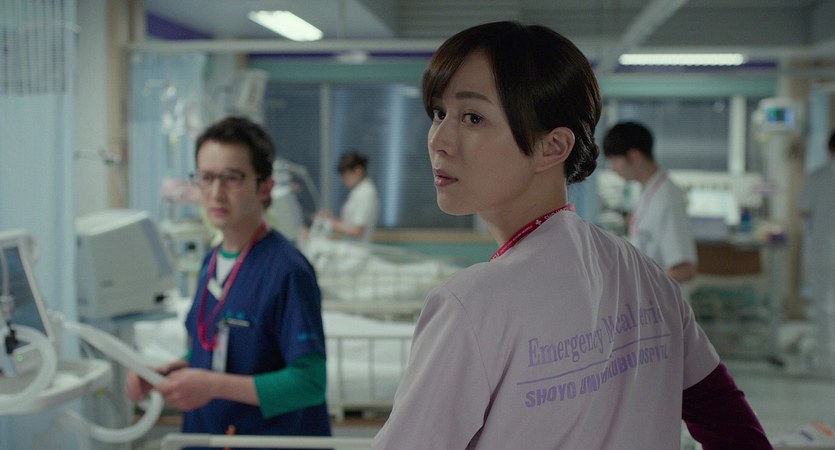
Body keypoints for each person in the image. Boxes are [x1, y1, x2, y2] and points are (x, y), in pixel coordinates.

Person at [373, 21, 770, 449]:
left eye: (473, 117)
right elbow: (735, 430)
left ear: (553, 147)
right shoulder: (647, 277)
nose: (439, 140)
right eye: (438, 113)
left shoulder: (471, 305)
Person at [125, 116, 331, 442]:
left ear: (265, 187)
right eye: (206, 178)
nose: (216, 193)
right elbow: (213, 349)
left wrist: (212, 386)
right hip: (206, 434)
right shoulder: (211, 261)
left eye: (232, 178)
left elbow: (310, 383)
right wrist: (169, 373)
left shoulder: (287, 271)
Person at [602, 121, 698, 285]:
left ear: (634, 157)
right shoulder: (648, 192)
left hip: (661, 300)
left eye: (614, 160)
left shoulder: (666, 197)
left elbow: (684, 269)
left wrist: (639, 287)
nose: (613, 169)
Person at [797, 130, 835, 376]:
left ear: (829, 148)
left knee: (824, 308)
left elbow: (802, 209)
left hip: (824, 253)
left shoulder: (819, 176)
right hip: (825, 252)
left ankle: (827, 362)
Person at [315, 150, 379, 243]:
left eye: (345, 176)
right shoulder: (358, 191)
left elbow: (357, 231)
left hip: (356, 249)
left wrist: (330, 223)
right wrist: (331, 219)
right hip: (350, 245)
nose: (343, 180)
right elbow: (350, 223)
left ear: (358, 171)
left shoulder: (365, 193)